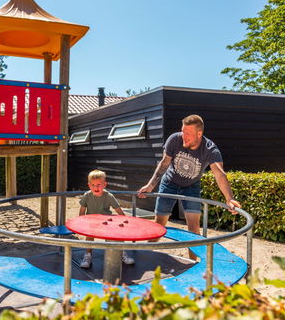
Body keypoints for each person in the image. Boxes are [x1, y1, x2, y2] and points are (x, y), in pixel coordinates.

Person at [138, 114, 241, 259]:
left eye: (188, 134)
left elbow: (220, 174)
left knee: (193, 228)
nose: (183, 136)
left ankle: (192, 263)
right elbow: (164, 164)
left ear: (199, 134)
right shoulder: (174, 139)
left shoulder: (210, 149)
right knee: (159, 224)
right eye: (183, 132)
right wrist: (150, 185)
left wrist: (229, 198)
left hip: (191, 186)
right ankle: (145, 255)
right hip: (169, 183)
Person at [79, 169, 135, 268]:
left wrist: (125, 221)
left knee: (113, 236)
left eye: (98, 185)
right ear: (89, 185)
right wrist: (81, 222)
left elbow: (118, 210)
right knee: (89, 236)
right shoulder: (87, 195)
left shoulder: (109, 196)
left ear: (104, 185)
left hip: (106, 222)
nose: (96, 187)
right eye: (93, 185)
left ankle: (120, 253)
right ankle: (88, 255)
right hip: (91, 222)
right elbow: (82, 210)